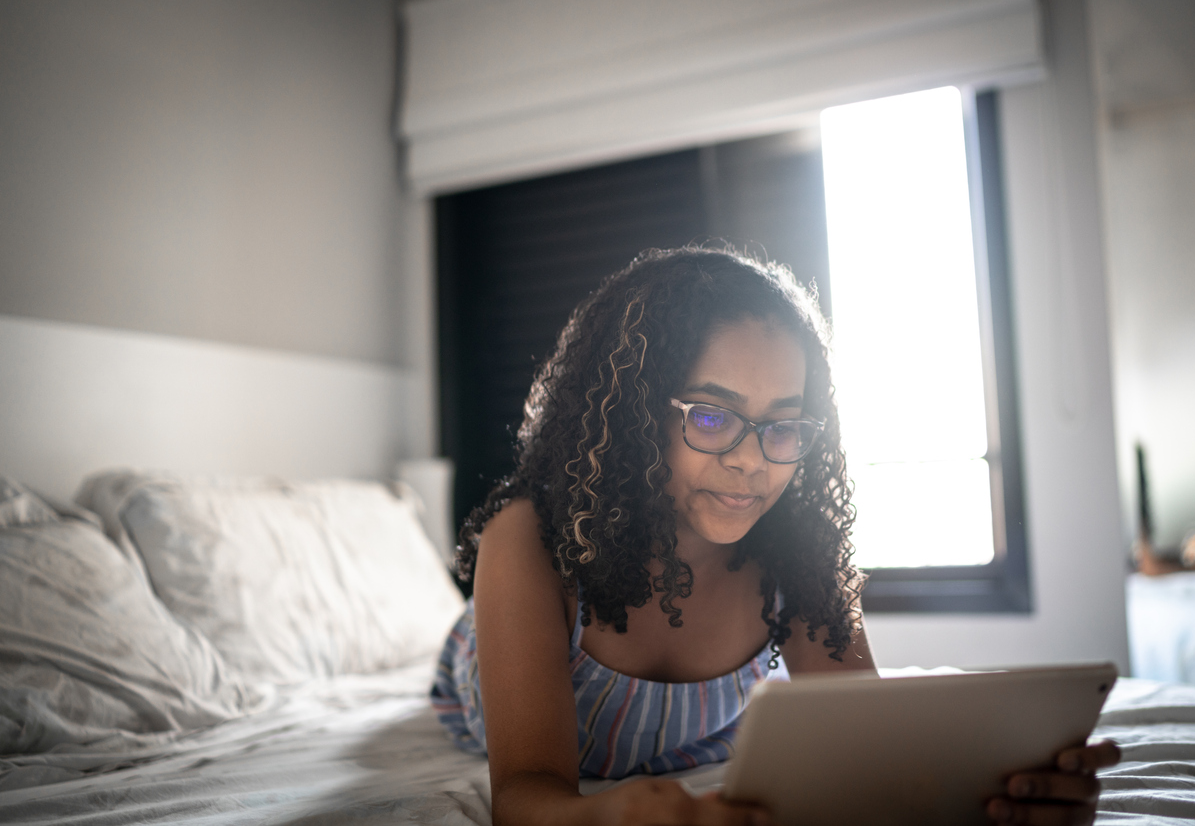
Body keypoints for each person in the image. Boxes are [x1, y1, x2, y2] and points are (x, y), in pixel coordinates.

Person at [431, 247, 1119, 826]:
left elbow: (871, 747)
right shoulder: (529, 540)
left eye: (782, 426)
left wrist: (1006, 797)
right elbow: (524, 794)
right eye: (710, 418)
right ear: (635, 418)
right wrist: (611, 815)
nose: (751, 459)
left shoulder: (795, 553)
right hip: (485, 657)